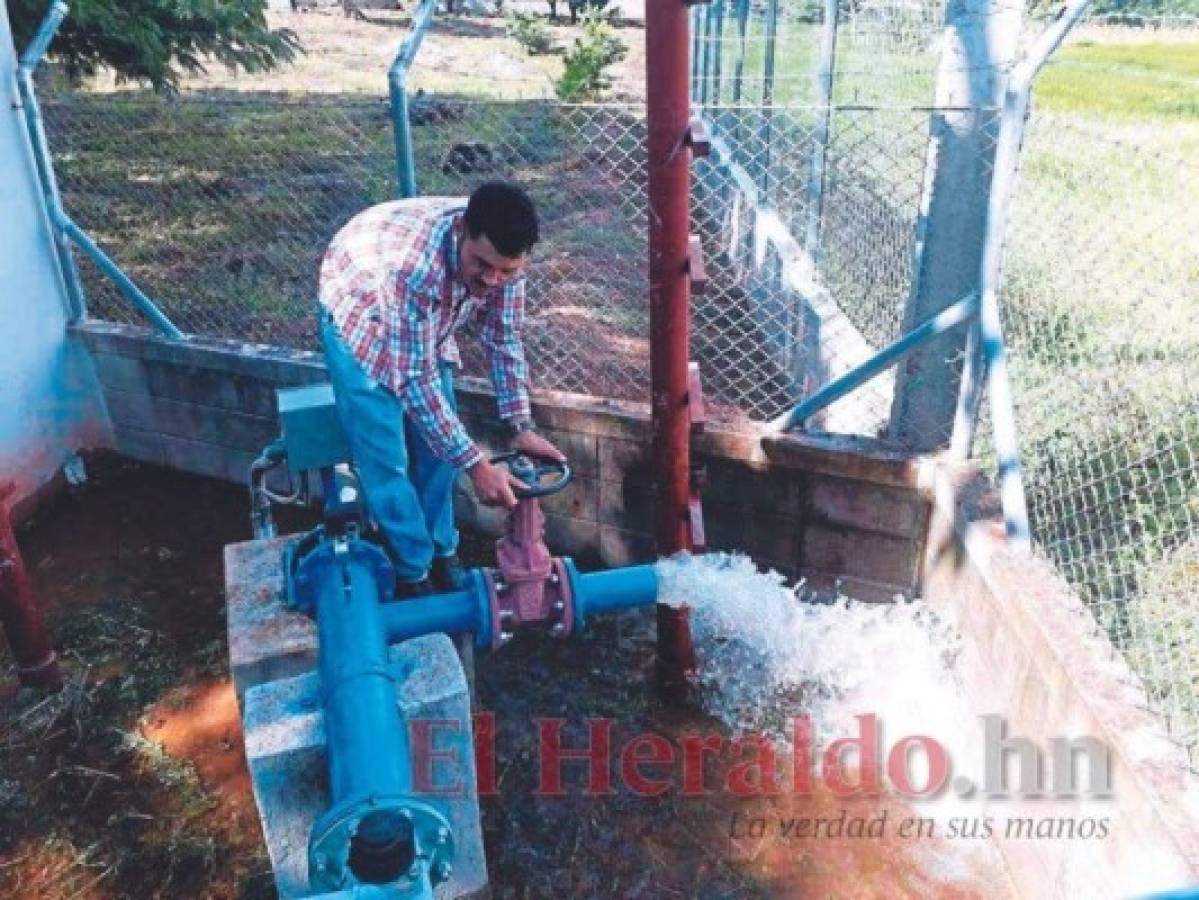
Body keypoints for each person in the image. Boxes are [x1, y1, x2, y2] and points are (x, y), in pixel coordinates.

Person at [317, 182, 565, 598]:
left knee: (439, 452)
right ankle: (411, 568)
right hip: (360, 308)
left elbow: (503, 340)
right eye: (481, 264)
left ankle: (441, 550)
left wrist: (519, 424)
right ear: (462, 230)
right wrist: (477, 464)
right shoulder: (412, 269)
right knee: (387, 457)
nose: (492, 280)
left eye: (506, 270)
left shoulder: (507, 267)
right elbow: (413, 379)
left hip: (420, 325)